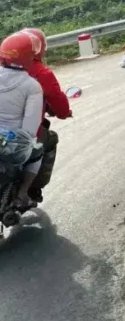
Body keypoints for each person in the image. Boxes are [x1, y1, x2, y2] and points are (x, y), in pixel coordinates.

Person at [22, 28, 71, 203]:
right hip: (27, 131)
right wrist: (64, 113)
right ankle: (34, 187)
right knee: (50, 140)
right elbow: (59, 104)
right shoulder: (41, 73)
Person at [0, 32, 44, 207]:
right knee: (37, 152)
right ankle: (22, 195)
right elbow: (29, 130)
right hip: (10, 145)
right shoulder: (32, 86)